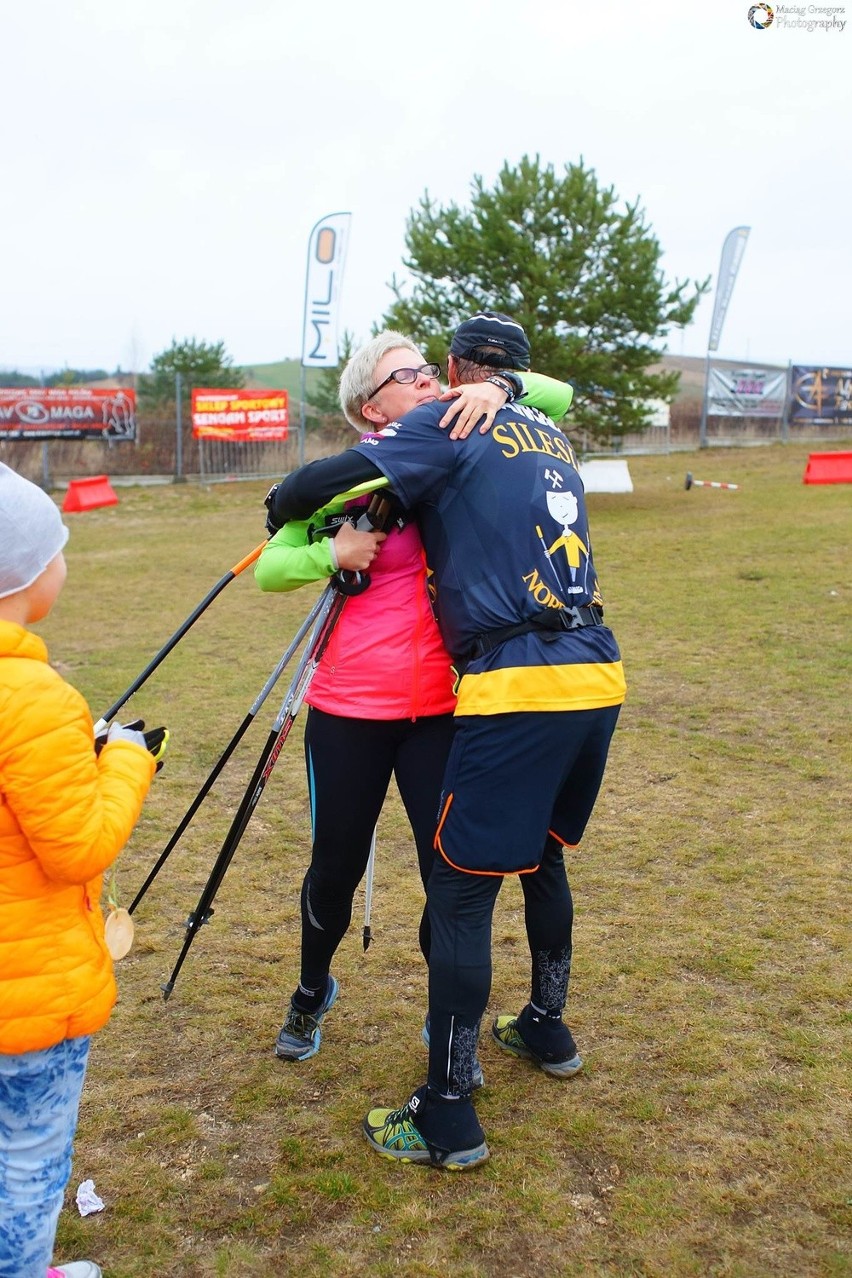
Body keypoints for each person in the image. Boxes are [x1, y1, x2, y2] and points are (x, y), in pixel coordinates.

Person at [267, 314, 626, 1169]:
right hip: (352, 706)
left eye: (433, 368)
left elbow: (553, 393)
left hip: (447, 705)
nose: (427, 380)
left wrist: (493, 387)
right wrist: (334, 551)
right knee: (336, 866)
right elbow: (274, 553)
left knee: (450, 881)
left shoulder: (466, 434)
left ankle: (447, 1038)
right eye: (407, 373)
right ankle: (313, 990)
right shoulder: (390, 462)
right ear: (368, 404)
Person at [0, 464, 168, 1277]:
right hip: (27, 1000)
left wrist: (76, 749)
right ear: (28, 577)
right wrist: (128, 761)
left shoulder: (36, 700)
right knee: (28, 1164)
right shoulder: (31, 698)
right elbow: (77, 847)